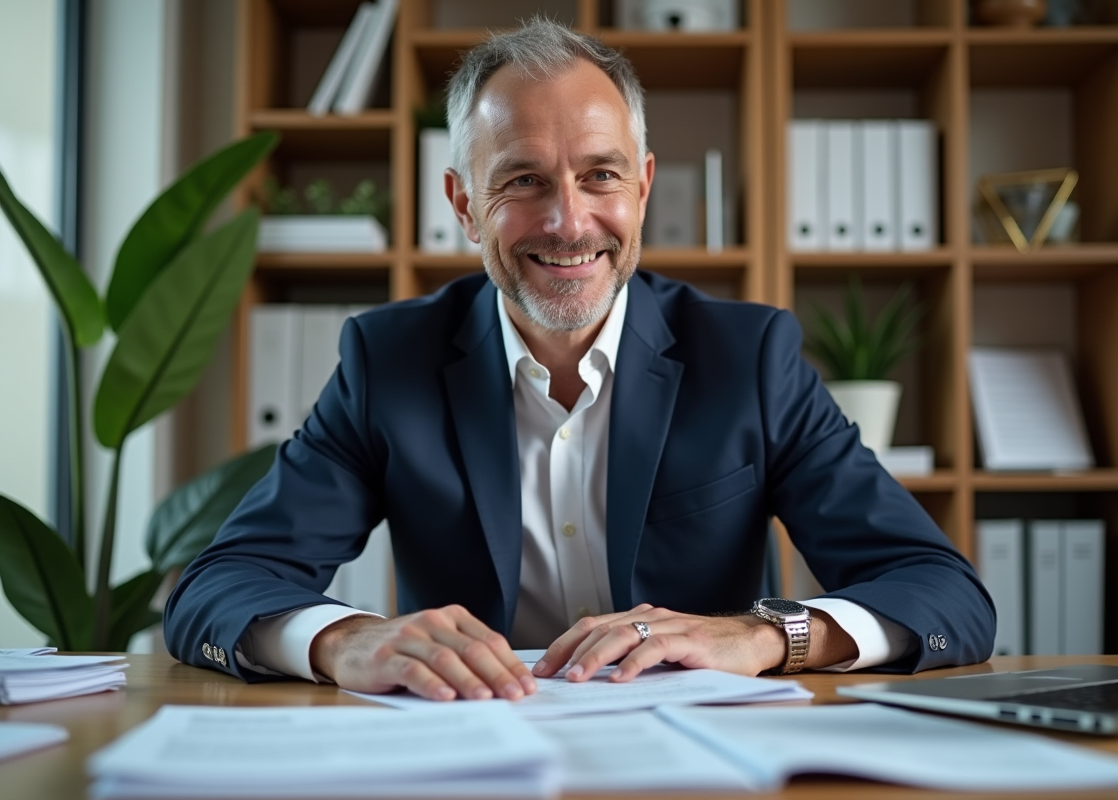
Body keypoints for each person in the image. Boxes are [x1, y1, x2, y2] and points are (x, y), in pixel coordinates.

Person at [164, 19, 994, 702]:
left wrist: (766, 636)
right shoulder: (388, 361)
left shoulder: (748, 358)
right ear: (463, 203)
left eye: (600, 175)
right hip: (469, 756)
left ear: (643, 188)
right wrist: (342, 640)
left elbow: (941, 590)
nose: (568, 221)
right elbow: (221, 584)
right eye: (523, 181)